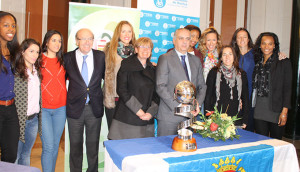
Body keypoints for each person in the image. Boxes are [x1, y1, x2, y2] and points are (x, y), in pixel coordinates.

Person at [230, 27, 288, 131]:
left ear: (248, 40)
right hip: (235, 99)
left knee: (250, 131)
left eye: (245, 37)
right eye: (239, 37)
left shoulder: (256, 55)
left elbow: (269, 54)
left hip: (253, 101)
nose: (242, 40)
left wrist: (278, 54)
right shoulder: (231, 55)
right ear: (235, 40)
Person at [64, 28, 105, 172]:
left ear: (93, 41)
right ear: (76, 41)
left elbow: (109, 79)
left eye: (90, 39)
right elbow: (60, 82)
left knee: (93, 147)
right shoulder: (67, 58)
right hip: (74, 109)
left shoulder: (101, 56)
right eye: (83, 39)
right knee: (75, 146)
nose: (87, 42)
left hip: (94, 108)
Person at [156, 28, 207, 136]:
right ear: (174, 41)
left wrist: (198, 104)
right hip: (169, 117)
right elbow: (160, 86)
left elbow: (202, 86)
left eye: (188, 39)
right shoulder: (165, 58)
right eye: (181, 38)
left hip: (191, 116)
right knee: (166, 150)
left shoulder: (196, 60)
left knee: (188, 151)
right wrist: (178, 106)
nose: (185, 41)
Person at [108, 37, 159, 140]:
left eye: (148, 47)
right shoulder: (126, 65)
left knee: (144, 152)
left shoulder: (153, 69)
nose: (145, 49)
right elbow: (122, 90)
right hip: (128, 117)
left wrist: (150, 112)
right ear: (136, 49)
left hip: (147, 118)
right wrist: (138, 111)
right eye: (142, 47)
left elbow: (157, 94)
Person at [252, 32, 292, 140]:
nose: (266, 46)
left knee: (276, 142)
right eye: (264, 43)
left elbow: (288, 89)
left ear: (274, 45)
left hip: (276, 110)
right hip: (259, 108)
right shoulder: (257, 62)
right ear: (260, 45)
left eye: (270, 44)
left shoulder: (283, 62)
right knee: (261, 142)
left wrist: (284, 112)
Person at [40, 30, 66, 172]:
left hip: (61, 109)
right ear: (46, 42)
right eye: (54, 40)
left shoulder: (63, 60)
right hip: (44, 109)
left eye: (59, 41)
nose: (57, 43)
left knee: (55, 145)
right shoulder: (38, 59)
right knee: (48, 146)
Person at [205, 45, 249, 127]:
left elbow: (245, 99)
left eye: (230, 54)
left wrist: (245, 120)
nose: (227, 57)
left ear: (234, 57)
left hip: (236, 119)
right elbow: (208, 97)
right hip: (216, 120)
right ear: (221, 57)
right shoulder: (214, 72)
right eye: (224, 54)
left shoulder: (242, 74)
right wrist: (208, 118)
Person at [103, 21, 136, 131]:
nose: (127, 34)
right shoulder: (109, 50)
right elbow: (103, 73)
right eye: (123, 31)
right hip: (114, 99)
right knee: (113, 134)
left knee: (128, 136)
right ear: (118, 33)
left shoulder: (137, 52)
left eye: (129, 31)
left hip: (131, 100)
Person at [14, 38, 42, 166]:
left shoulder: (37, 72)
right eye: (31, 51)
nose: (35, 55)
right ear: (23, 52)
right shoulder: (16, 72)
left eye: (37, 52)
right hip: (18, 120)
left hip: (33, 120)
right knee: (15, 155)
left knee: (26, 154)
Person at [0, 11, 20, 163]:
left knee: (11, 154)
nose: (11, 29)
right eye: (6, 25)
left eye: (13, 26)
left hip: (11, 109)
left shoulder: (14, 52)